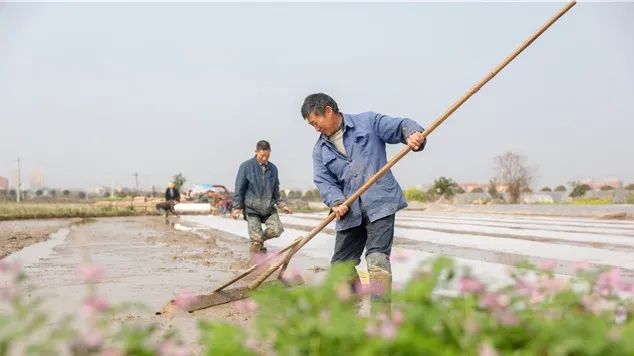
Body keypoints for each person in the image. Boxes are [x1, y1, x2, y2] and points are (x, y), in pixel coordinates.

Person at [302, 93, 427, 304]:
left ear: (328, 111)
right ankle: (354, 306)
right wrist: (335, 201)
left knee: (377, 260)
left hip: (380, 203)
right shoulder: (320, 150)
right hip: (349, 211)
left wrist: (413, 134)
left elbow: (401, 126)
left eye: (316, 122)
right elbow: (324, 181)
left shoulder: (367, 122)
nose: (316, 128)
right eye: (312, 125)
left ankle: (380, 320)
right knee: (341, 269)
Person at [231, 140, 293, 254]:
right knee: (255, 243)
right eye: (262, 156)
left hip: (268, 208)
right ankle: (256, 259)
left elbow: (276, 191)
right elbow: (239, 188)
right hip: (252, 209)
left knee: (277, 230)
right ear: (256, 152)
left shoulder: (273, 169)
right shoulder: (246, 167)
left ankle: (260, 240)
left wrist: (282, 206)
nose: (265, 159)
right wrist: (237, 208)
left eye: (267, 156)